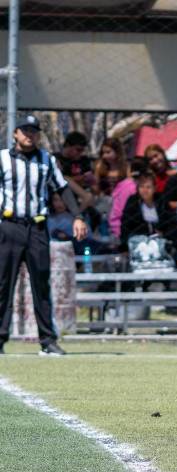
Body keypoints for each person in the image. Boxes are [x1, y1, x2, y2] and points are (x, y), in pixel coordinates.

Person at [0, 115, 88, 355]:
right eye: (25, 130)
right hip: (9, 225)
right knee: (3, 284)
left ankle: (48, 340)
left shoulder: (46, 160)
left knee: (41, 283)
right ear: (16, 133)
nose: (30, 135)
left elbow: (62, 188)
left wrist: (77, 216)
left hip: (37, 228)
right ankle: (0, 338)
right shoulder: (3, 159)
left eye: (34, 131)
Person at [120, 173, 177, 253]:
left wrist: (164, 233)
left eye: (148, 187)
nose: (145, 190)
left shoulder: (161, 200)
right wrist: (124, 247)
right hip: (139, 239)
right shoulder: (133, 201)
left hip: (159, 239)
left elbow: (171, 222)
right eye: (141, 187)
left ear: (154, 188)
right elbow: (125, 225)